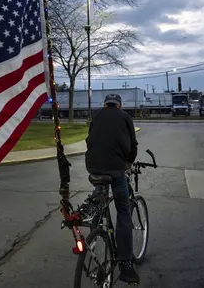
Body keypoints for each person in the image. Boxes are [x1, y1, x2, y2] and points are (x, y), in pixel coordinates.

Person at [84, 93, 139, 284]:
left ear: (105, 104)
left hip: (93, 166)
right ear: (119, 105)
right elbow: (132, 145)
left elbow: (90, 140)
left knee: (100, 194)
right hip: (116, 169)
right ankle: (126, 264)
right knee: (123, 210)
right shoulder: (125, 117)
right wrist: (129, 163)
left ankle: (93, 226)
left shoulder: (96, 115)